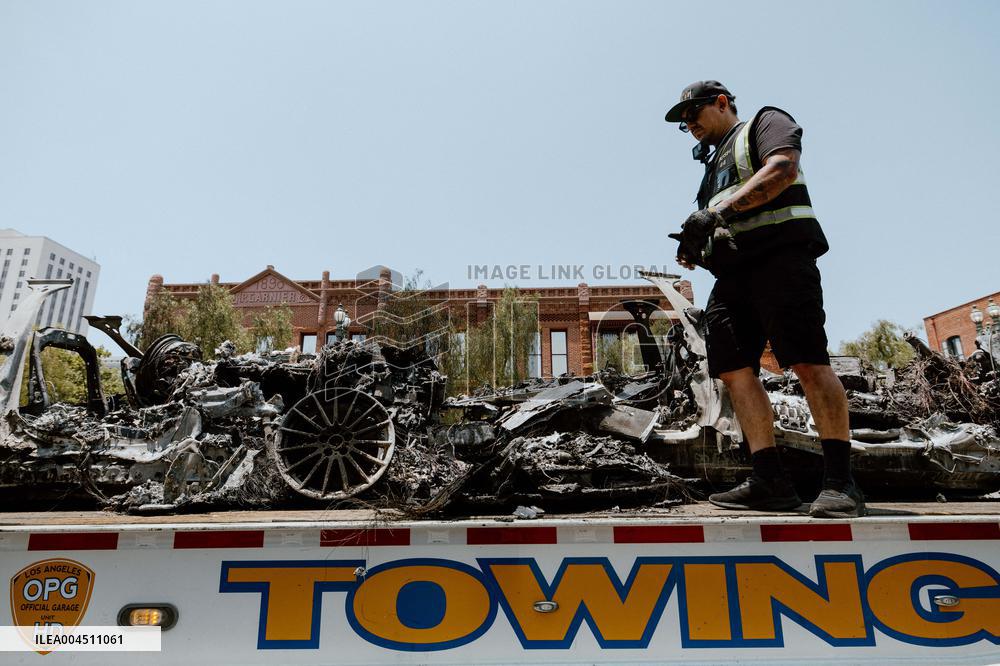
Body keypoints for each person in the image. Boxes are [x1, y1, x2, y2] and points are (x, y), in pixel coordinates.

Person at [664, 80, 864, 518]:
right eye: (682, 123)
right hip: (734, 276)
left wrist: (716, 214)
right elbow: (720, 214)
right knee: (733, 371)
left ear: (721, 103)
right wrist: (697, 242)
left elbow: (782, 171)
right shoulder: (712, 165)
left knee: (808, 361)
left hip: (781, 261)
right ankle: (769, 480)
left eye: (693, 113)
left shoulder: (766, 122)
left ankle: (839, 484)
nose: (689, 125)